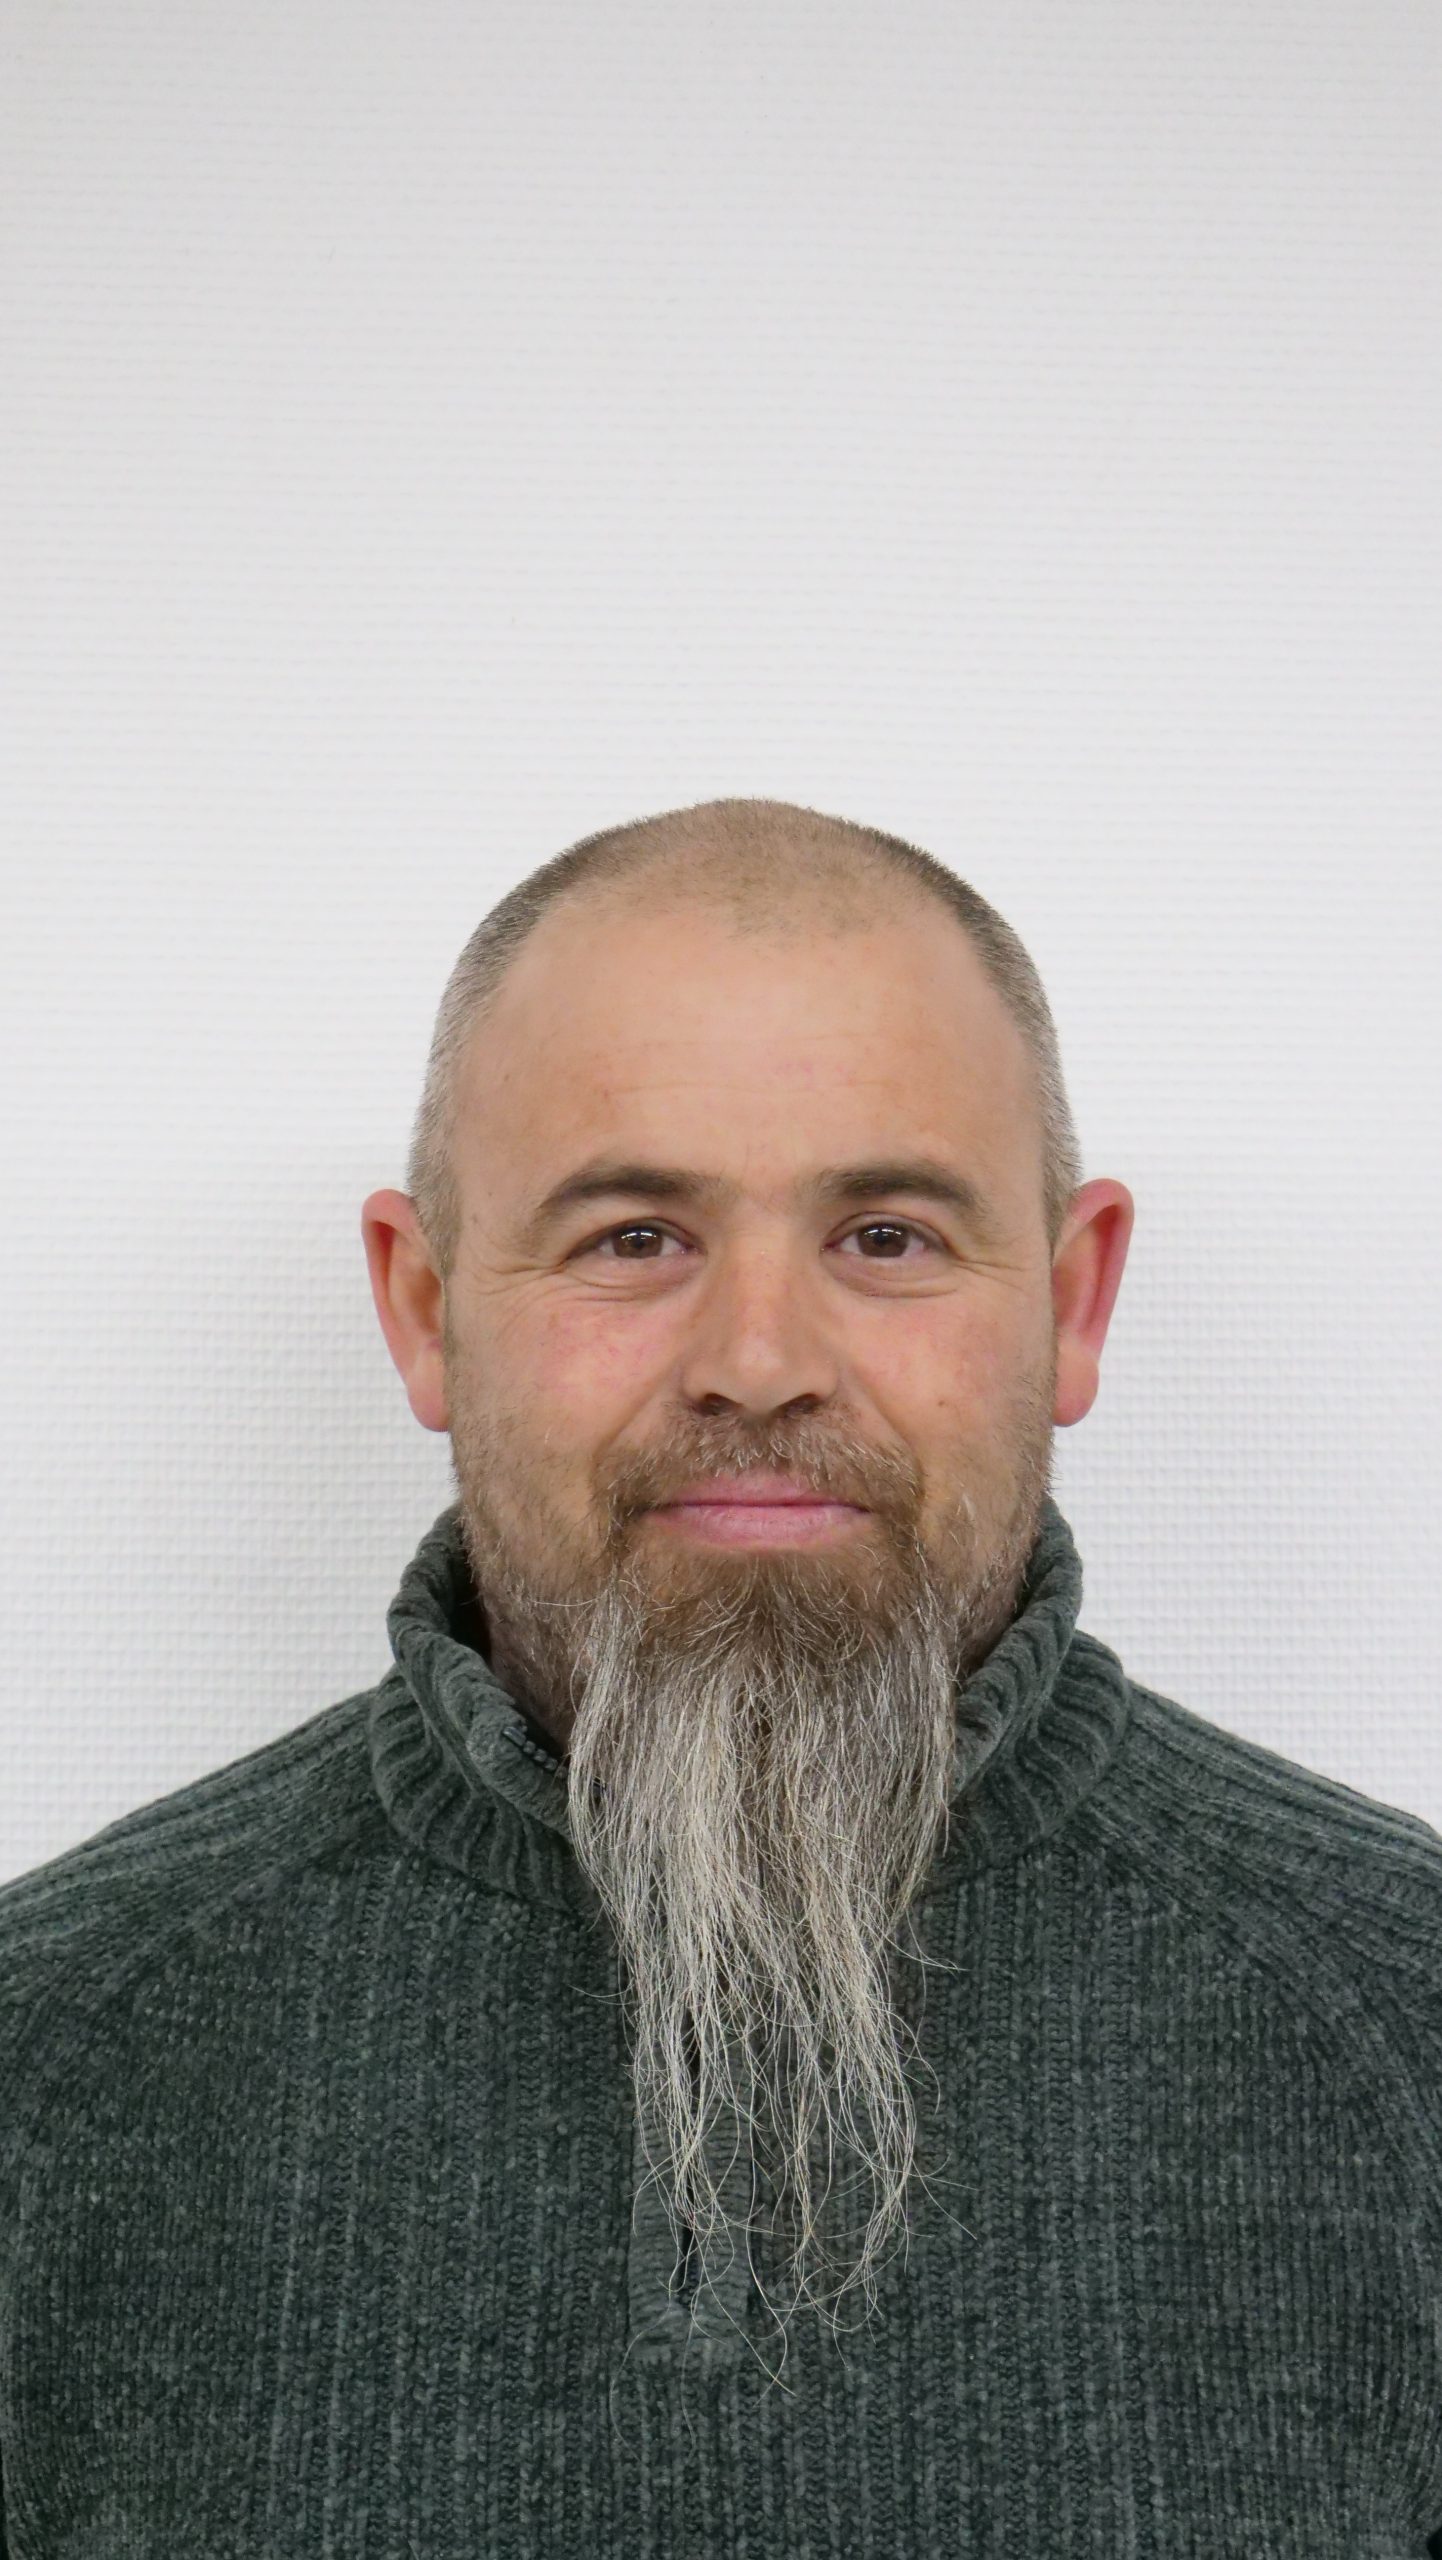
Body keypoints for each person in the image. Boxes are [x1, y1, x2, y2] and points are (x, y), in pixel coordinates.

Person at [2, 797, 1439, 2558]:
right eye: (634, 1237)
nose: (758, 1363)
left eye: (886, 1235)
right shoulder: (41, 2052)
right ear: (422, 1307)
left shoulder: (1409, 2017)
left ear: (1072, 1303)